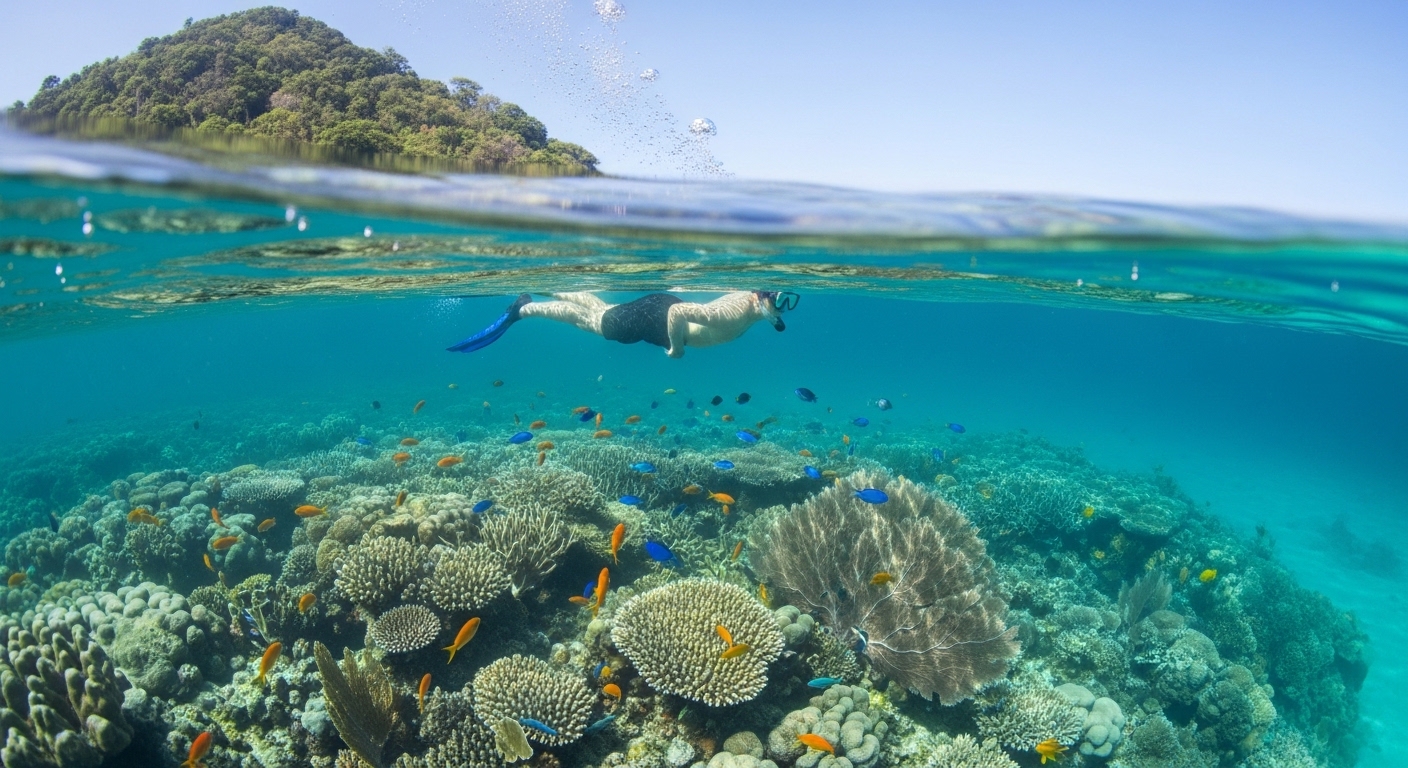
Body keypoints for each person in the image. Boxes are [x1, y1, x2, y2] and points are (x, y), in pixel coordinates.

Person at [447, 290, 800, 358]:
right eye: (780, 300)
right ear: (761, 296)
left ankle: (551, 285)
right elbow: (679, 315)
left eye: (790, 303)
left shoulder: (749, 304)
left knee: (603, 310)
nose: (783, 309)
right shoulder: (738, 311)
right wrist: (676, 349)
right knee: (595, 322)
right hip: (659, 318)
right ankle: (523, 309)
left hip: (657, 311)